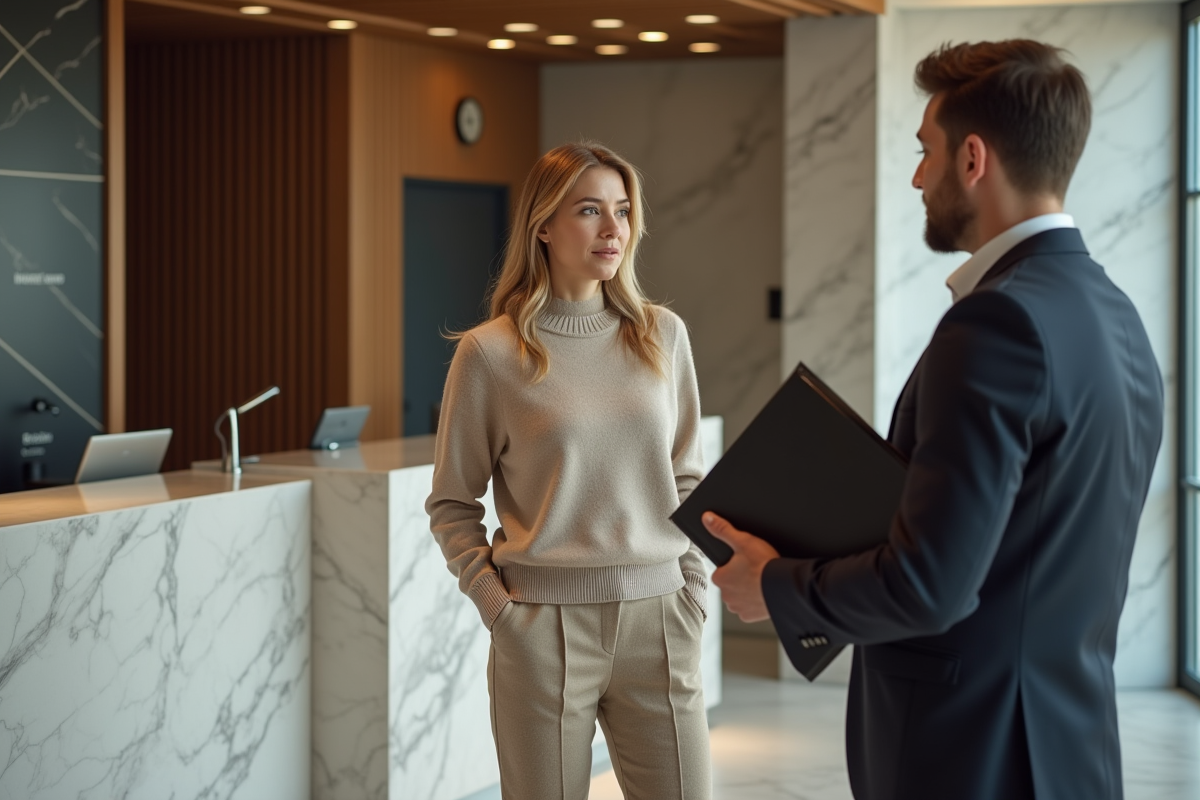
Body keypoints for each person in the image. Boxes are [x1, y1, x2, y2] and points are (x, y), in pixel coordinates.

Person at [703, 40, 1163, 800]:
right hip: (1069, 746)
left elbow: (930, 585)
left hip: (969, 752)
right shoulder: (1118, 316)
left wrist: (775, 584)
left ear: (973, 159)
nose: (917, 176)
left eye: (926, 152)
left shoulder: (996, 325)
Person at [426, 142, 713, 800]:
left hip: (662, 617)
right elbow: (452, 503)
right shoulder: (491, 353)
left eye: (622, 210)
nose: (613, 229)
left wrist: (694, 590)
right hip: (541, 628)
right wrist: (501, 612)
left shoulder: (663, 335)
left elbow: (689, 479)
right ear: (544, 225)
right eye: (590, 210)